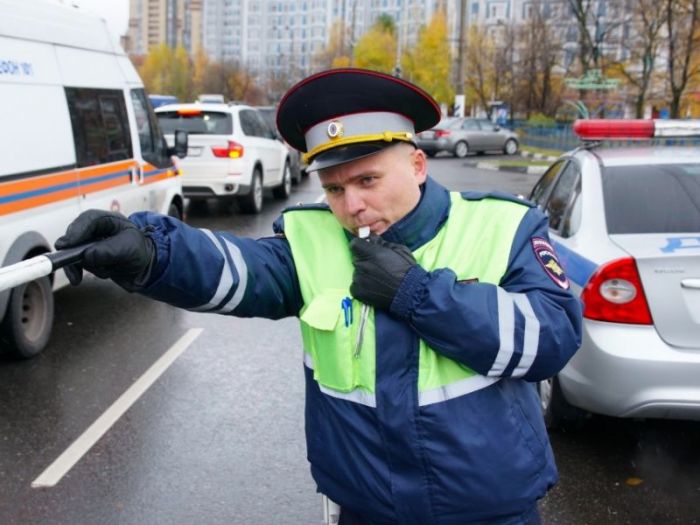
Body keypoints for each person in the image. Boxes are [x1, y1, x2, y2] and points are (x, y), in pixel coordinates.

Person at [56, 68, 582, 525]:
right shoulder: (314, 239)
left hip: (487, 513)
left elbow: (554, 335)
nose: (351, 206)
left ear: (418, 165)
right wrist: (150, 251)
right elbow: (239, 270)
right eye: (332, 188)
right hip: (366, 509)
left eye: (368, 180)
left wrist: (418, 294)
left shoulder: (503, 225)